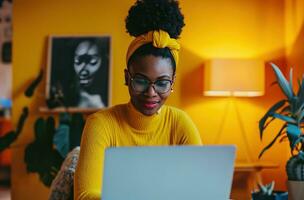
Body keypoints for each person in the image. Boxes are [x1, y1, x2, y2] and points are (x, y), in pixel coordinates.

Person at [74, 0, 202, 199]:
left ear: (172, 82)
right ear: (127, 77)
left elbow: (200, 187)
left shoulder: (180, 124)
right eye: (141, 81)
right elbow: (85, 195)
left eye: (162, 83)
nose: (151, 93)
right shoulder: (100, 124)